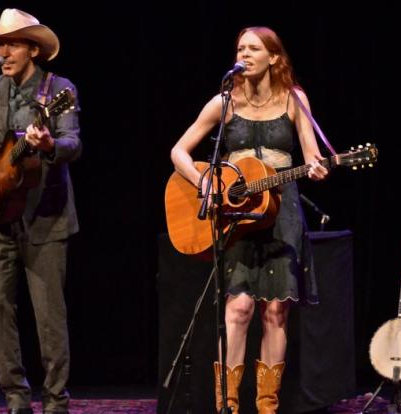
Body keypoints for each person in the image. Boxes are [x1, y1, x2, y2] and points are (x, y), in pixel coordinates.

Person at [170, 27, 328, 414]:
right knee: (237, 308)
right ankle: (228, 405)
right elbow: (179, 151)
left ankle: (267, 406)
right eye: (241, 48)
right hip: (236, 212)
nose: (245, 54)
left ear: (274, 57)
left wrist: (320, 166)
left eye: (254, 48)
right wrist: (203, 178)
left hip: (282, 209)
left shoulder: (294, 99)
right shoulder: (225, 101)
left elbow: (311, 154)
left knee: (275, 310)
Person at [0, 8, 81, 414]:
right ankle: (15, 398)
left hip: (45, 218)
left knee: (49, 315)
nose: (4, 52)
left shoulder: (59, 90)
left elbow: (72, 143)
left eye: (11, 44)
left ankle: (55, 400)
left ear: (32, 48)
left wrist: (47, 145)